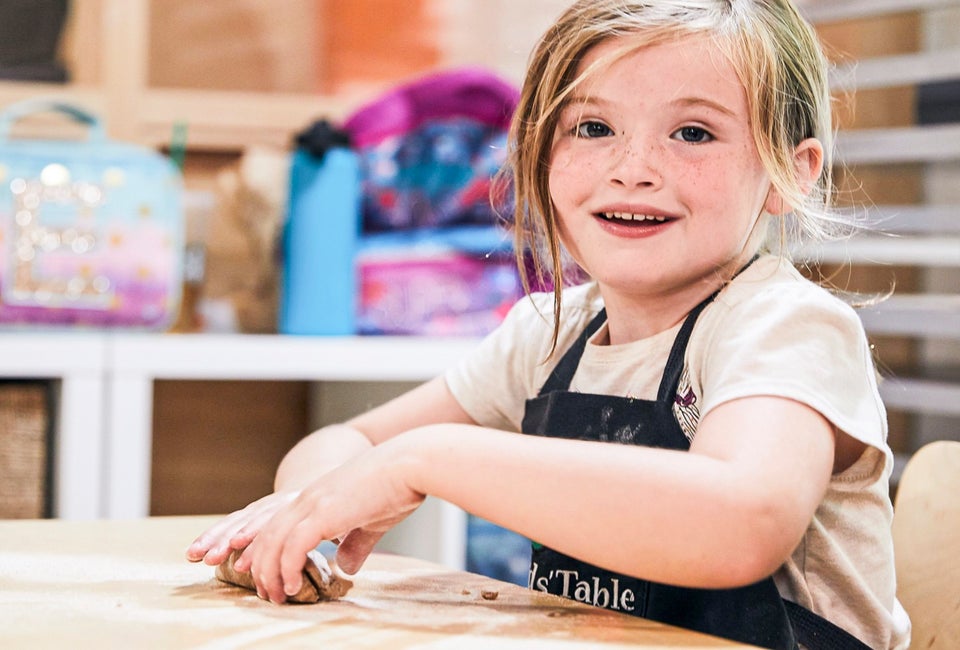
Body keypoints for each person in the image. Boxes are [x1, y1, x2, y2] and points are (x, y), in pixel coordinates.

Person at [186, 1, 910, 648]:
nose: (632, 168)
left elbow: (740, 523)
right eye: (593, 127)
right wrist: (306, 516)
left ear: (790, 171)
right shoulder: (550, 333)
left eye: (693, 132)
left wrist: (426, 458)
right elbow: (347, 443)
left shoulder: (787, 327)